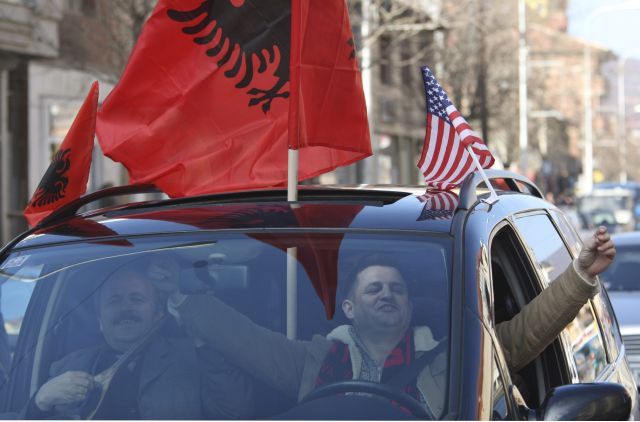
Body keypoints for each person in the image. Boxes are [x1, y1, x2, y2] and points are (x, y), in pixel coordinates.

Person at [158, 226, 614, 417]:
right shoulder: (312, 361)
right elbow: (243, 340)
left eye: (396, 289)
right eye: (373, 288)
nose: (387, 294)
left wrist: (578, 276)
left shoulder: (454, 359)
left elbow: (528, 331)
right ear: (350, 309)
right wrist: (177, 296)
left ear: (409, 308)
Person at [23, 258, 254, 419]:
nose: (125, 308)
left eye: (137, 299)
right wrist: (39, 403)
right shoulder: (64, 368)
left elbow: (235, 412)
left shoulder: (194, 356)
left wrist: (200, 340)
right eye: (114, 300)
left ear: (158, 313)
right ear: (99, 318)